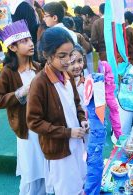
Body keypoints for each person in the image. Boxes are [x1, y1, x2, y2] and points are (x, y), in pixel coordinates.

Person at [26, 27, 89, 195]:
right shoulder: (39, 83)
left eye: (70, 54)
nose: (68, 61)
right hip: (59, 149)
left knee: (79, 182)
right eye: (62, 56)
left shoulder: (66, 75)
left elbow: (76, 104)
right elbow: (34, 122)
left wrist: (82, 118)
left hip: (75, 142)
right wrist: (67, 132)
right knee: (67, 189)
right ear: (47, 55)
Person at [0, 20, 45, 195]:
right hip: (25, 129)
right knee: (31, 171)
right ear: (13, 47)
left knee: (44, 167)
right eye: (24, 41)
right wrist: (19, 92)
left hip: (43, 125)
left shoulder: (38, 67)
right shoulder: (8, 71)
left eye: (30, 40)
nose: (31, 44)